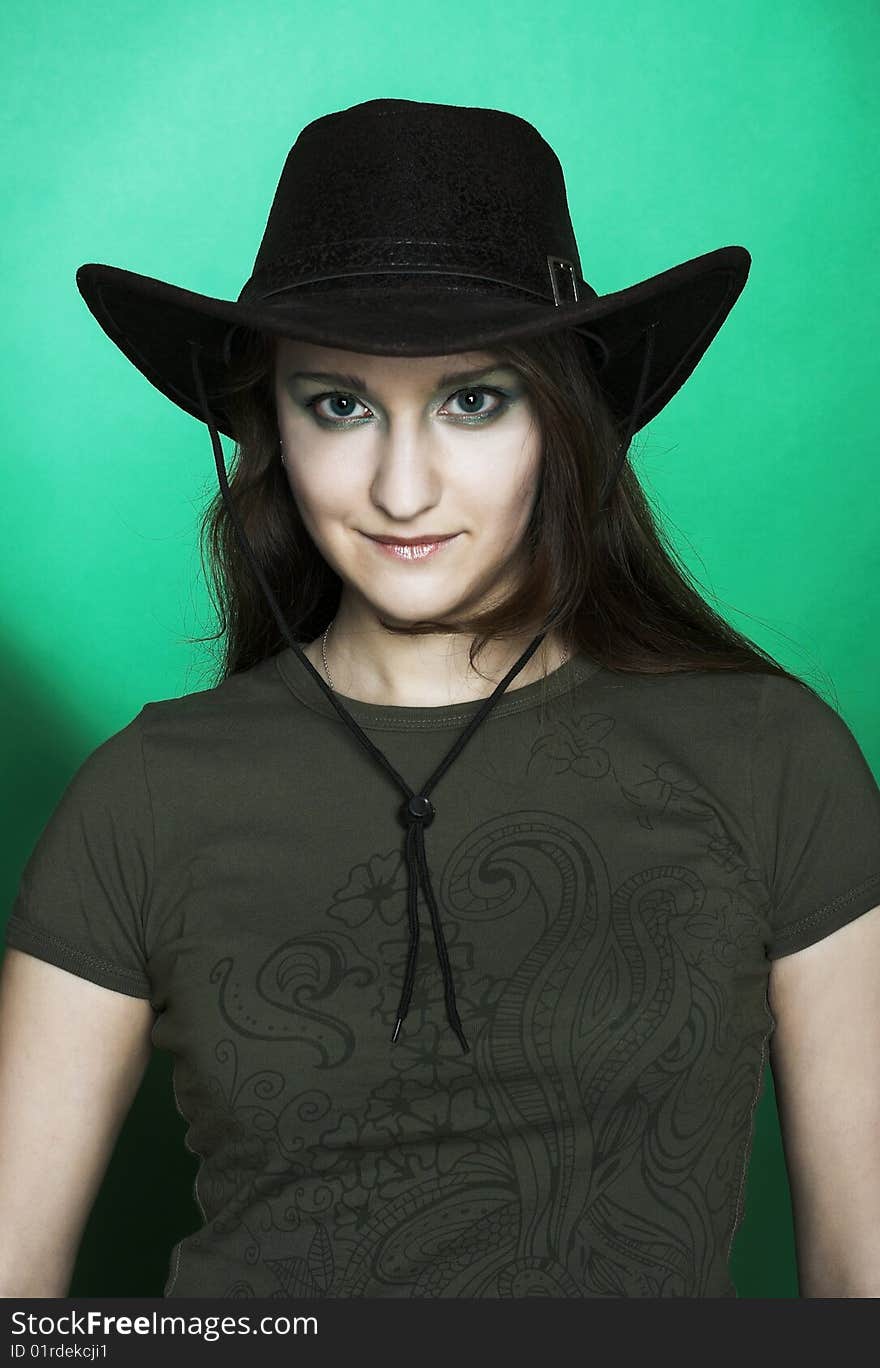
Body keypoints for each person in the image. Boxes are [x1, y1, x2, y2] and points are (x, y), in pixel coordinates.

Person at [1, 97, 879, 1300]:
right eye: (339, 406)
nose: (402, 489)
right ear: (270, 428)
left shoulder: (774, 760)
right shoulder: (145, 797)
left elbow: (860, 1285)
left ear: (564, 423)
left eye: (474, 400)